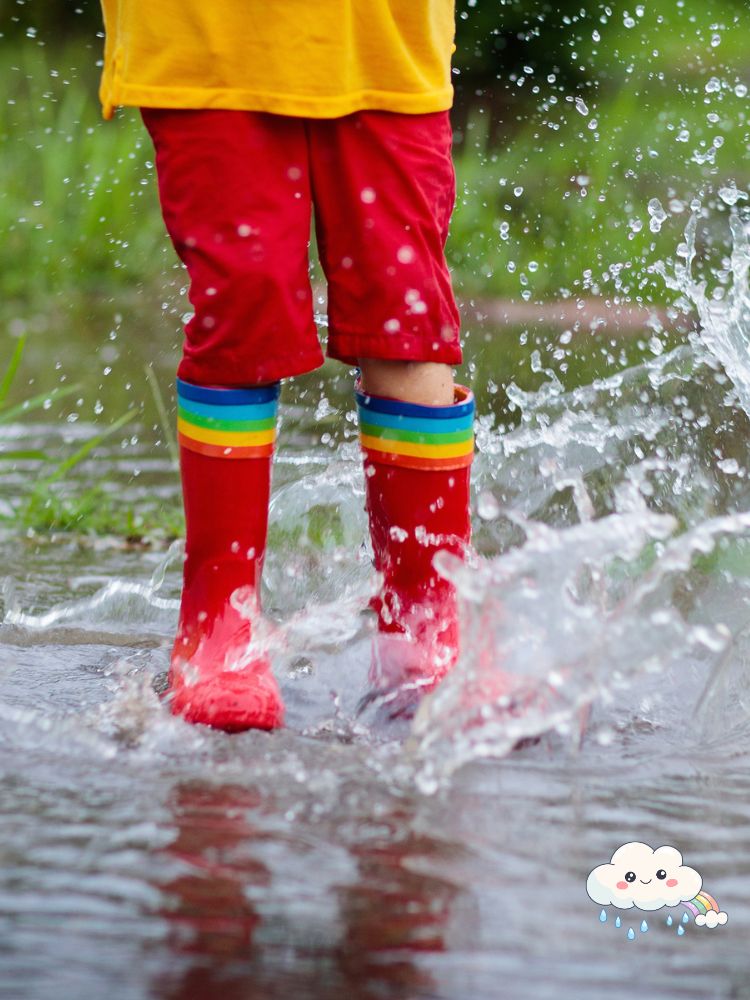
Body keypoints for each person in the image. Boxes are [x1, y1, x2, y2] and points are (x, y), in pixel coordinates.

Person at [98, 0, 475, 731]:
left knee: (407, 314)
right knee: (244, 298)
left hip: (384, 40)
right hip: (206, 37)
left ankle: (424, 624)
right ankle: (219, 619)